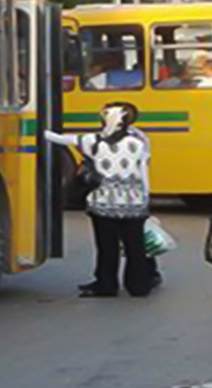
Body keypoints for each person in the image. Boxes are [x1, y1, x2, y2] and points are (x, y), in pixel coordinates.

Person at [45, 102, 159, 298]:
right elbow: (143, 171)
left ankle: (107, 284)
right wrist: (145, 198)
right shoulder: (140, 141)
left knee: (107, 246)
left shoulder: (93, 140)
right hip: (134, 202)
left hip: (103, 202)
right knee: (135, 246)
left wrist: (38, 126)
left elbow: (59, 139)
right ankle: (139, 285)